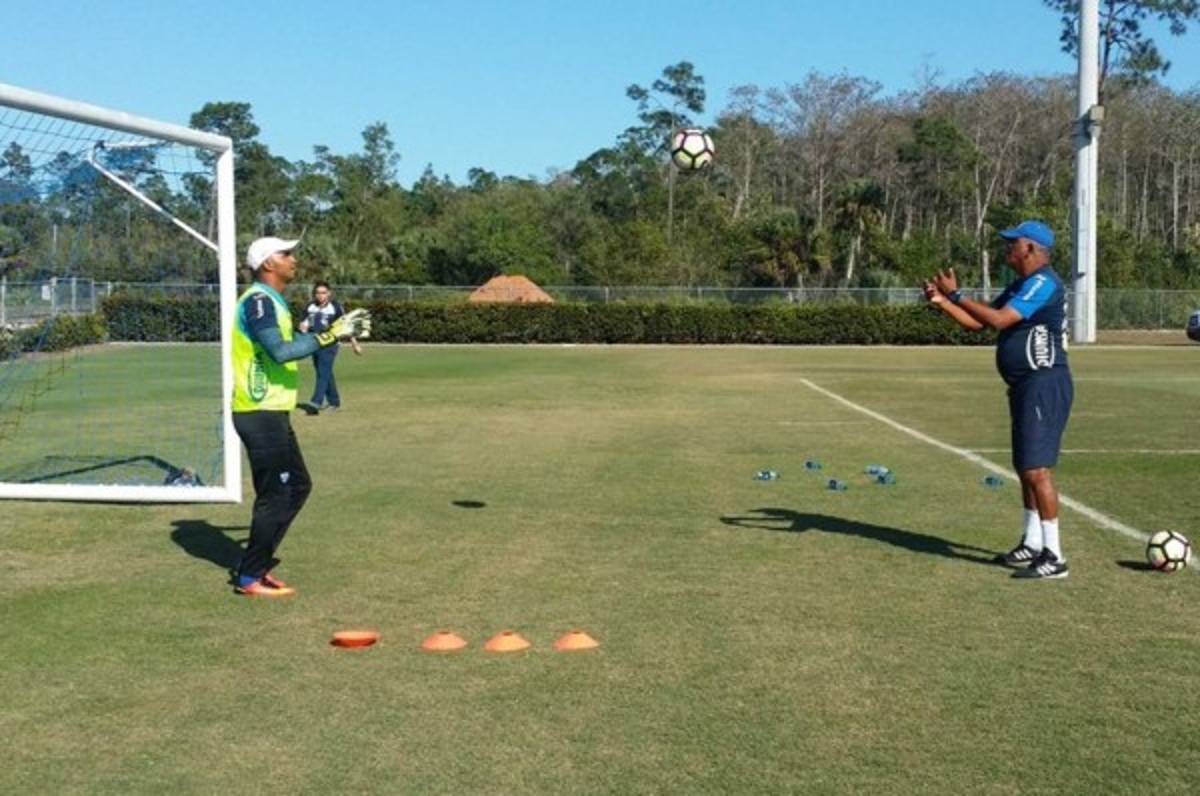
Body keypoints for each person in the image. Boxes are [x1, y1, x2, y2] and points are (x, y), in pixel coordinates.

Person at [924, 220, 1073, 580]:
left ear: (1031, 249)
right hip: (1025, 385)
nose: (1008, 249)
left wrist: (957, 296)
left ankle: (1055, 556)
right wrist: (943, 302)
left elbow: (1001, 320)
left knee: (1037, 470)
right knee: (1025, 468)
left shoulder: (1043, 282)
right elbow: (978, 322)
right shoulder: (1022, 284)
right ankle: (1032, 542)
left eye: (1013, 244)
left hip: (1043, 382)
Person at [230, 237, 371, 596]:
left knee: (297, 486)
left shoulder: (272, 301)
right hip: (258, 411)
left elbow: (290, 342)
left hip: (272, 411)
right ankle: (249, 576)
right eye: (286, 254)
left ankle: (257, 565)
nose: (293, 259)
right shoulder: (259, 301)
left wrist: (328, 334)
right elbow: (279, 352)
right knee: (276, 493)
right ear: (268, 264)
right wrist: (330, 335)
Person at [297, 280, 361, 413]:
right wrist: (303, 327)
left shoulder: (335, 307)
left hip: (330, 344)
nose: (320, 295)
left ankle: (316, 402)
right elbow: (303, 323)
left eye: (323, 293)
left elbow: (346, 325)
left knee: (323, 372)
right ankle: (334, 402)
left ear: (329, 293)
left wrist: (354, 343)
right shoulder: (310, 306)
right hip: (314, 342)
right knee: (324, 372)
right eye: (318, 293)